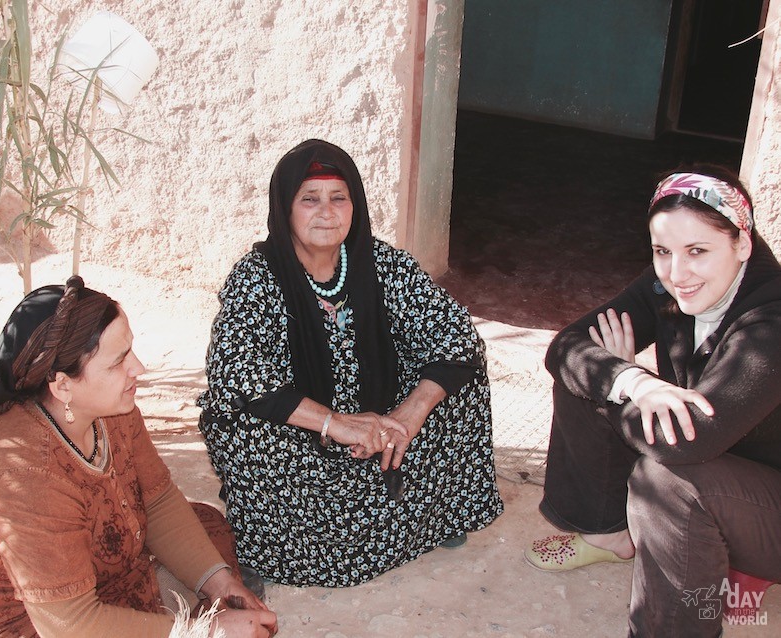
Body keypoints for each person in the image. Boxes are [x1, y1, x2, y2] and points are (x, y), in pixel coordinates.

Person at [197, 139, 502, 587]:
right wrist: (334, 423)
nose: (327, 211)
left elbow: (457, 335)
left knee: (460, 377)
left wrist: (408, 416)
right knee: (242, 419)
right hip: (305, 440)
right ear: (285, 208)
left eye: (339, 197)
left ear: (355, 204)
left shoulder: (383, 264)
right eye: (310, 199)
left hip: (381, 435)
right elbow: (235, 368)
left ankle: (430, 511)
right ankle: (272, 542)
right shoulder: (257, 276)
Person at [0, 277, 278, 638]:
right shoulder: (23, 475)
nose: (138, 368)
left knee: (204, 527)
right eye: (118, 362)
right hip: (25, 622)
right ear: (62, 385)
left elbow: (156, 500)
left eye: (130, 350)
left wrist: (219, 584)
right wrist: (206, 632)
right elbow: (71, 624)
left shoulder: (114, 410)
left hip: (85, 579)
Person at [524, 166, 781, 636]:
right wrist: (632, 381)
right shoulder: (667, 284)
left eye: (698, 251)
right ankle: (608, 531)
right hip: (722, 465)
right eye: (663, 251)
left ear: (742, 244)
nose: (677, 274)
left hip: (766, 501)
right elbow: (567, 345)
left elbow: (686, 441)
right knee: (592, 372)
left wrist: (623, 379)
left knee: (666, 479)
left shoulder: (771, 320)